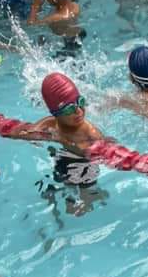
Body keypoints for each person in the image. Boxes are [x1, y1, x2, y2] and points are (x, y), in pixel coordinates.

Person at [8, 72, 107, 214]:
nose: (79, 111)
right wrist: (35, 134)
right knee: (66, 200)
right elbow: (22, 133)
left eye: (80, 102)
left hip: (86, 166)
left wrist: (61, 139)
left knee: (81, 205)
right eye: (70, 108)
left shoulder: (89, 131)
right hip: (64, 161)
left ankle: (94, 196)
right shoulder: (52, 123)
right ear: (56, 113)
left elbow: (95, 153)